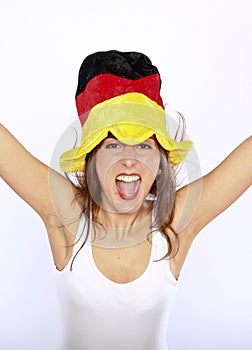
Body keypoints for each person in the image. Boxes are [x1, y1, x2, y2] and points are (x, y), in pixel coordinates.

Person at [0, 50, 251, 350]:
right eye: (114, 144)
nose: (130, 160)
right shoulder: (65, 214)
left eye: (144, 145)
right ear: (93, 158)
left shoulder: (175, 222)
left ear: (160, 160)